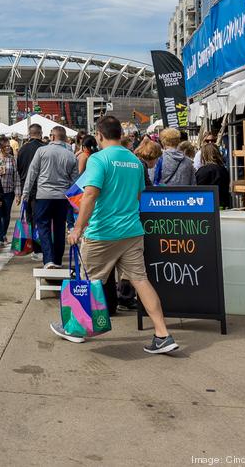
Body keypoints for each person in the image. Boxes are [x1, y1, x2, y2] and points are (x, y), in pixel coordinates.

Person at [54, 116, 178, 354]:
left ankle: (76, 328)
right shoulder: (134, 160)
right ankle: (162, 334)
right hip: (131, 231)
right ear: (120, 134)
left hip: (102, 232)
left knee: (88, 281)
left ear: (99, 135)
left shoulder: (98, 159)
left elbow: (89, 195)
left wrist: (78, 227)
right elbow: (139, 196)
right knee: (140, 280)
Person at [22, 127, 79, 269]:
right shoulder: (71, 155)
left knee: (43, 226)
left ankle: (48, 259)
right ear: (64, 138)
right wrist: (74, 202)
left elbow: (32, 173)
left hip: (44, 195)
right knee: (59, 228)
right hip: (62, 197)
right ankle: (58, 260)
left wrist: (26, 193)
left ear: (52, 137)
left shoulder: (42, 151)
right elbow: (75, 181)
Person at [16, 124, 47, 256]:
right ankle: (39, 248)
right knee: (41, 220)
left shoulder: (22, 149)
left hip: (26, 189)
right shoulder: (45, 148)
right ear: (41, 133)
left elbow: (19, 169)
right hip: (41, 188)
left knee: (30, 219)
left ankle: (33, 247)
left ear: (29, 133)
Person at [0, 139, 21, 247]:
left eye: (9, 146)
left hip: (9, 192)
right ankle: (0, 238)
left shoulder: (13, 159)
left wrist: (18, 194)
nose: (9, 148)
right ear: (0, 147)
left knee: (6, 215)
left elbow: (16, 177)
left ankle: (3, 235)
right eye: (6, 146)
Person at [196, 143, 231, 208]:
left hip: (206, 204)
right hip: (223, 203)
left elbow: (197, 188)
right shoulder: (223, 170)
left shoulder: (202, 170)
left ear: (204, 155)